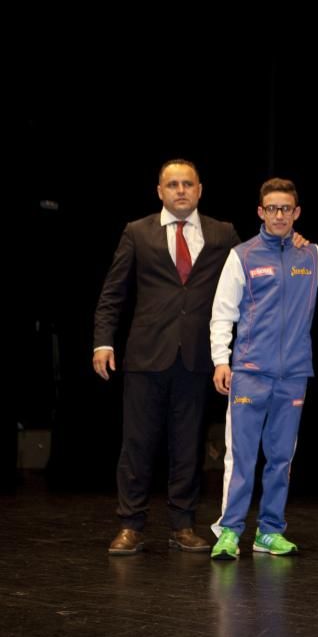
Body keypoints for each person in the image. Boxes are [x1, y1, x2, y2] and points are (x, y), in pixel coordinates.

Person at [93, 159, 241, 555]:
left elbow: (249, 275)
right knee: (137, 444)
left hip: (196, 357)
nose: (180, 190)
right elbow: (113, 292)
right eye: (172, 184)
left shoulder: (222, 233)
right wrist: (103, 342)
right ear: (160, 191)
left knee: (187, 444)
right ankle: (131, 524)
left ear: (199, 189)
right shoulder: (137, 232)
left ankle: (182, 524)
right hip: (145, 356)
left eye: (187, 184)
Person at [207, 178, 318, 559]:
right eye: (272, 209)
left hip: (293, 374)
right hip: (249, 370)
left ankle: (269, 531)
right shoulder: (242, 256)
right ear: (261, 212)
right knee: (241, 457)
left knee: (281, 459)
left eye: (286, 209)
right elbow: (222, 313)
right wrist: (220, 360)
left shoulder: (311, 255)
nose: (279, 215)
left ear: (296, 213)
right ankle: (229, 530)